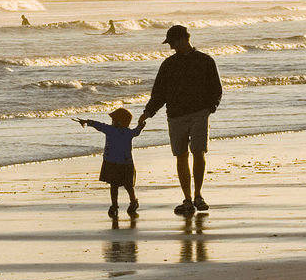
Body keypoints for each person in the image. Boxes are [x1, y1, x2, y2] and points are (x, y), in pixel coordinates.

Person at [137, 25, 222, 216]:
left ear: (184, 39)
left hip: (200, 113)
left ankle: (198, 196)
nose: (171, 47)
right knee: (181, 155)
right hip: (175, 115)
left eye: (173, 43)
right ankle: (188, 199)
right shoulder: (168, 65)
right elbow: (159, 93)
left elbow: (216, 88)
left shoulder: (205, 61)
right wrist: (148, 112)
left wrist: (210, 108)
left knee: (198, 152)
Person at [76, 107, 145, 218]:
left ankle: (122, 204)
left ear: (119, 121)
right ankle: (126, 203)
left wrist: (87, 122)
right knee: (126, 186)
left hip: (116, 163)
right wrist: (140, 125)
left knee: (117, 186)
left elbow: (98, 125)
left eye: (114, 120)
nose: (112, 122)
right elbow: (136, 132)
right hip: (123, 163)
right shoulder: (126, 132)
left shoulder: (114, 130)